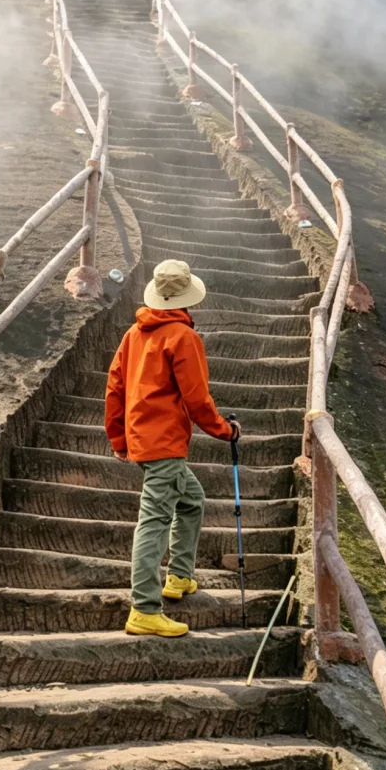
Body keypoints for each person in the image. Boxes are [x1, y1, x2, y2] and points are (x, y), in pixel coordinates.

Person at [105, 258, 241, 637]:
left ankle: (180, 574)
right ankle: (144, 609)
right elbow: (197, 399)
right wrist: (226, 431)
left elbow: (115, 387)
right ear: (187, 297)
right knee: (153, 522)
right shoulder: (183, 338)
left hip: (142, 440)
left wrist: (119, 438)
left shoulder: (134, 334)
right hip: (165, 444)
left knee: (192, 499)